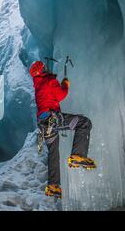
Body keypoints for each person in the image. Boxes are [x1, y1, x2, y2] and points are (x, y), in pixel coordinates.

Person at [29, 60, 96, 199]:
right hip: (52, 118)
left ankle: (53, 186)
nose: (46, 68)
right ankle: (78, 155)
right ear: (42, 71)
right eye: (44, 68)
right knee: (84, 123)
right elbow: (60, 95)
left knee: (53, 152)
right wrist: (65, 84)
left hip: (43, 124)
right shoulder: (48, 80)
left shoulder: (38, 85)